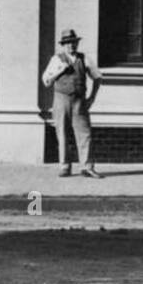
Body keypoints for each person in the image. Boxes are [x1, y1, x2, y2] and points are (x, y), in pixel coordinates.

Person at [41, 28, 103, 178]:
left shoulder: (84, 59)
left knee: (84, 133)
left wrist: (92, 98)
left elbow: (98, 77)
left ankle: (87, 167)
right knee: (62, 133)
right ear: (63, 45)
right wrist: (60, 70)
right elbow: (46, 81)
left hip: (79, 101)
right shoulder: (56, 59)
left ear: (77, 43)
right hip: (61, 99)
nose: (71, 46)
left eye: (73, 42)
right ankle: (64, 166)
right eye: (68, 43)